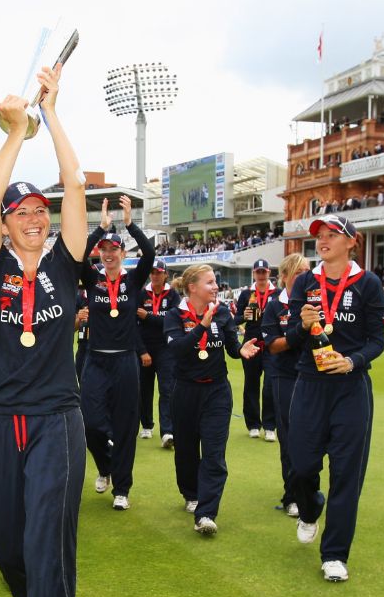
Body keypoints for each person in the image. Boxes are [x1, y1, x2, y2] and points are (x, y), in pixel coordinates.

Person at [0, 63, 87, 597]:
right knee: (5, 533)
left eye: (41, 211)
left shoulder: (66, 263)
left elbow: (75, 184)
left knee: (50, 538)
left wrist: (49, 111)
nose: (35, 218)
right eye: (25, 212)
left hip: (55, 417)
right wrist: (15, 131)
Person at [286, 214, 384, 583]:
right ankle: (310, 508)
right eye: (320, 236)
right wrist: (301, 323)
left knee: (347, 473)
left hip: (351, 387)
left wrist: (353, 361)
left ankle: (334, 554)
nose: (323, 241)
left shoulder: (368, 284)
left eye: (332, 235)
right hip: (310, 384)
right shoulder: (305, 282)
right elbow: (290, 337)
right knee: (301, 464)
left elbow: (377, 340)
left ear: (351, 242)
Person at [163, 264, 260, 535]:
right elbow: (178, 350)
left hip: (217, 391)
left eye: (215, 282)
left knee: (215, 454)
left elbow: (231, 348)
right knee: (186, 452)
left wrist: (242, 349)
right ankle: (191, 493)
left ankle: (206, 513)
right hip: (185, 392)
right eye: (209, 283)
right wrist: (201, 326)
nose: (216, 287)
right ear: (192, 287)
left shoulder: (224, 313)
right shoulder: (174, 315)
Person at [80, 195, 155, 511]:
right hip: (95, 359)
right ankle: (105, 466)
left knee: (126, 426)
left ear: (123, 253)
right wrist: (100, 229)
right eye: (104, 250)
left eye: (114, 249)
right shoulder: (92, 278)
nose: (108, 254)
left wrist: (130, 225)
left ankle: (121, 488)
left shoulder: (134, 279)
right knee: (90, 422)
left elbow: (149, 252)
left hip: (125, 360)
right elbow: (78, 256)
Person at [259, 253, 313, 518]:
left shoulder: (316, 301)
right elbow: (274, 346)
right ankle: (292, 495)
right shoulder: (274, 306)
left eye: (308, 271)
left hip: (315, 376)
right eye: (300, 271)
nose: (306, 276)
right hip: (285, 377)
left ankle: (308, 491)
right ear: (286, 276)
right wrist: (301, 331)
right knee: (290, 438)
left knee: (313, 437)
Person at [136, 259, 178, 448]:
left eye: (159, 272)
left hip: (166, 348)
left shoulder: (173, 295)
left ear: (165, 274)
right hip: (144, 346)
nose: (155, 275)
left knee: (167, 389)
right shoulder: (141, 294)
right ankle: (146, 424)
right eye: (152, 272)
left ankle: (167, 431)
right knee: (144, 389)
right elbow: (133, 325)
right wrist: (142, 350)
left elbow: (173, 321)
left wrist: (149, 317)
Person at [234, 259, 277, 440]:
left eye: (264, 272)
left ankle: (269, 426)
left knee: (270, 386)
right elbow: (235, 320)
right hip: (251, 344)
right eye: (258, 272)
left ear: (269, 273)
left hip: (272, 345)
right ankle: (253, 424)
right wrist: (243, 316)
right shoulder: (246, 294)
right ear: (253, 273)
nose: (261, 275)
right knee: (251, 384)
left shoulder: (278, 293)